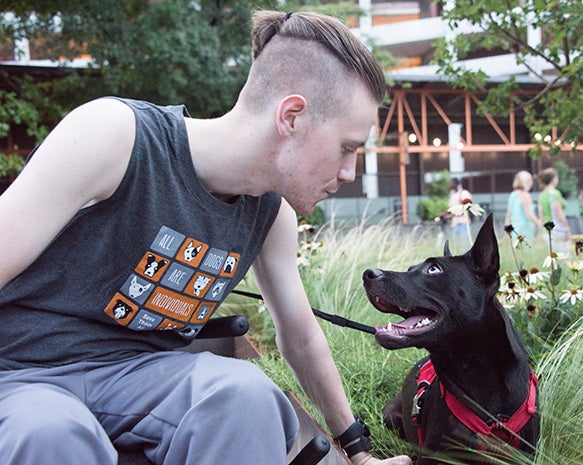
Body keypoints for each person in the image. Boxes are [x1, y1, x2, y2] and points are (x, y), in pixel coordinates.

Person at [0, 10, 411, 465]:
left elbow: (300, 337)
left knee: (247, 396)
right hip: (21, 375)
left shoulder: (270, 216)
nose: (349, 173)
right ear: (292, 116)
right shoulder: (116, 137)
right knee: (51, 434)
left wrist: (359, 453)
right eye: (347, 148)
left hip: (142, 378)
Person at [537, 167, 572, 253]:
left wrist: (539, 232)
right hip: (558, 229)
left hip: (546, 231)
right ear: (553, 179)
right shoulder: (555, 194)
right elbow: (559, 214)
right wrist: (567, 228)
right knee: (564, 256)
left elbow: (541, 217)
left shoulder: (541, 195)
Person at [504, 170, 543, 242]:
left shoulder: (513, 194)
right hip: (525, 228)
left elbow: (508, 216)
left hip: (514, 228)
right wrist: (540, 224)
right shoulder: (525, 195)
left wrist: (506, 230)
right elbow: (529, 215)